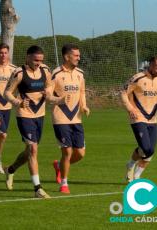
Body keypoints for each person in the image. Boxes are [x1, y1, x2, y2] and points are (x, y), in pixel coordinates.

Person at [3, 45, 51, 198]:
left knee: (29, 151)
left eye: (41, 60)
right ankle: (38, 188)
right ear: (27, 57)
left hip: (40, 114)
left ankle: (10, 170)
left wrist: (48, 92)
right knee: (33, 150)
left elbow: (50, 86)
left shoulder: (45, 70)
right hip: (24, 115)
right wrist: (18, 102)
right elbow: (7, 93)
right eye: (36, 60)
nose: (38, 63)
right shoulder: (18, 73)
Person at [47, 44, 90, 194]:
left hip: (77, 119)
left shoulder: (80, 73)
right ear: (67, 57)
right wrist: (59, 101)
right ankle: (64, 184)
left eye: (79, 55)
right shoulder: (55, 74)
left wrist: (84, 106)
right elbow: (47, 95)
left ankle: (59, 166)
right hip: (60, 118)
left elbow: (82, 92)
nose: (79, 58)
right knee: (67, 152)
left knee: (80, 154)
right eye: (76, 55)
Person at [121, 56, 157, 182]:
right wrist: (130, 109)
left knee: (149, 151)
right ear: (150, 65)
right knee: (147, 148)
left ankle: (136, 175)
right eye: (156, 66)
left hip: (153, 119)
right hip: (137, 117)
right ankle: (131, 164)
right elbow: (123, 92)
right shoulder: (138, 78)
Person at [0, 43, 17, 174]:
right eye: (1, 53)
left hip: (8, 106)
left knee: (0, 136)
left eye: (5, 53)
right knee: (2, 134)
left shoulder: (14, 69)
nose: (3, 55)